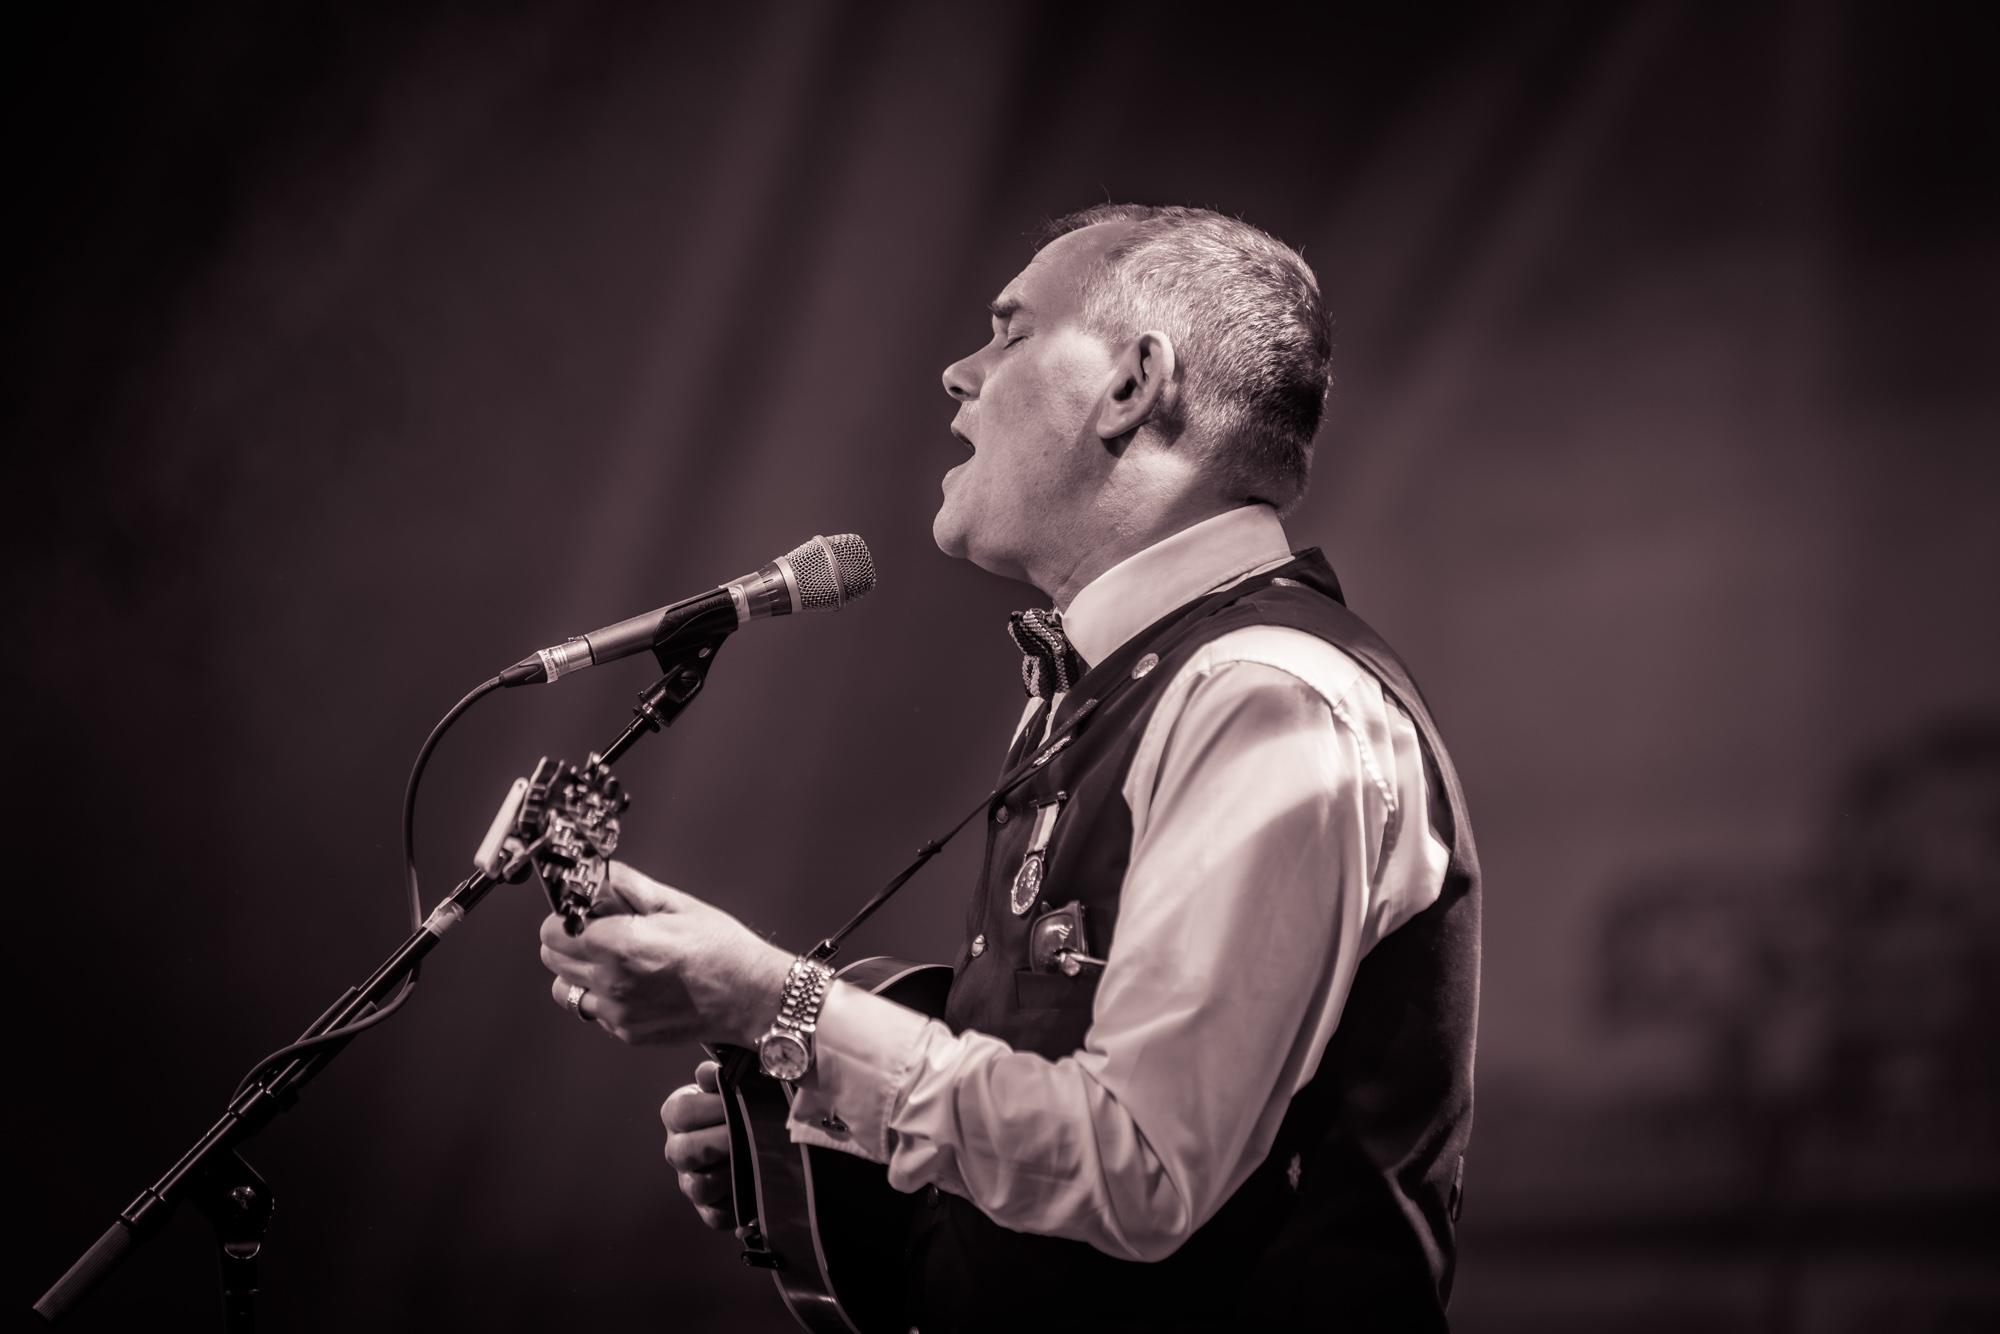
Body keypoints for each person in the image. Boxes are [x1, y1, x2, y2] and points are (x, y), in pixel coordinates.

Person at [538, 204, 1480, 1332]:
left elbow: (1142, 1165)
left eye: (1010, 331)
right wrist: (815, 1141)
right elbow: (1058, 1210)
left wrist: (776, 1002)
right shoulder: (1113, 690)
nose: (958, 371)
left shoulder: (1262, 695)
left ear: (1132, 383)